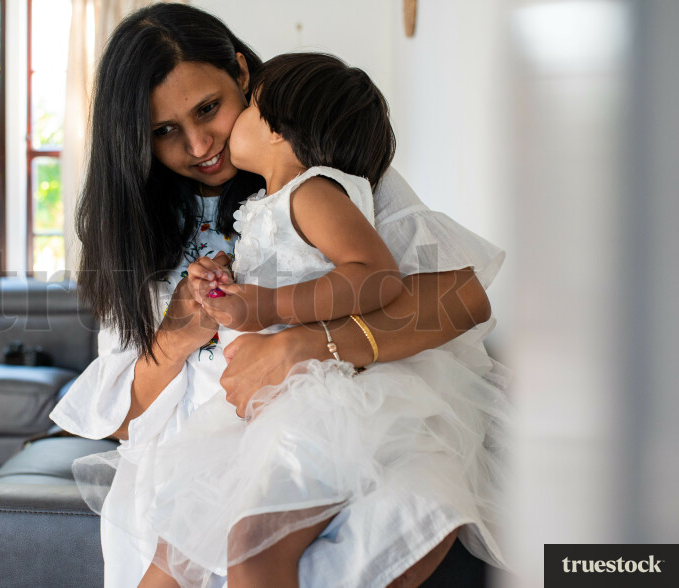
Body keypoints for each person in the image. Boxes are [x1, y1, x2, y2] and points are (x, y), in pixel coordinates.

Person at [49, 4, 507, 587]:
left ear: (241, 74)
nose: (198, 144)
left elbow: (461, 300)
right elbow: (121, 419)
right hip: (197, 465)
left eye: (208, 109)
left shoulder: (321, 168)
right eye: (164, 131)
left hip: (326, 430)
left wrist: (307, 345)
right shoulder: (131, 226)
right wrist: (183, 329)